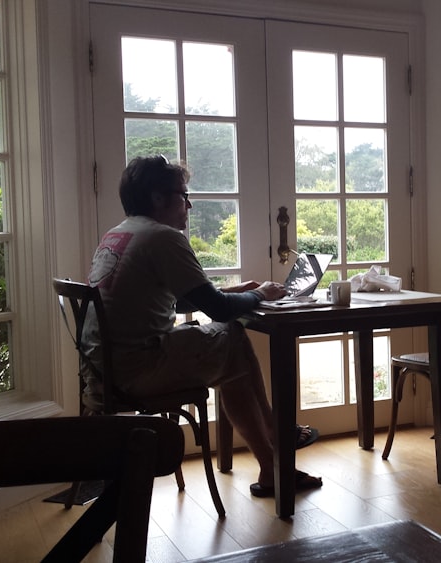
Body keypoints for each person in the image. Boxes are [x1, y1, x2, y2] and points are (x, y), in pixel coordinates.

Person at [86, 154, 322, 498]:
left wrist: (228, 291)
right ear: (158, 197)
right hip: (137, 371)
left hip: (102, 371)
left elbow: (177, 300)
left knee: (229, 345)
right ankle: (275, 441)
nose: (189, 205)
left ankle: (273, 458)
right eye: (184, 195)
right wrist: (259, 293)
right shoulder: (162, 237)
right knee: (232, 337)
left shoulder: (119, 234)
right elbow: (221, 311)